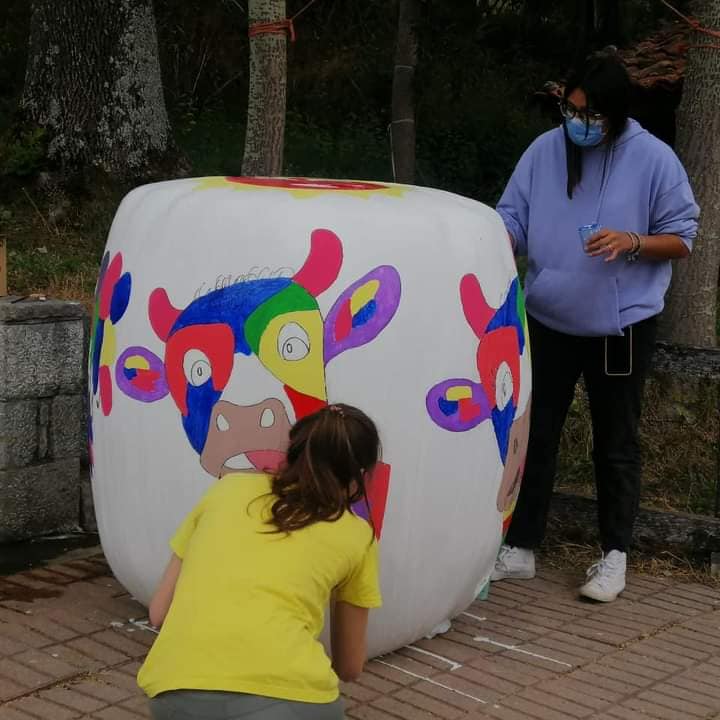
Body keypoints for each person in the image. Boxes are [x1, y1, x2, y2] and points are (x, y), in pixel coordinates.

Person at [492, 53, 699, 602]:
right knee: (536, 434)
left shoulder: (654, 159)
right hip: (549, 318)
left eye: (590, 114)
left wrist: (631, 241)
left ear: (616, 113)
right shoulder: (543, 151)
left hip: (619, 327)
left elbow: (682, 237)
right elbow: (511, 215)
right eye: (571, 108)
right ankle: (522, 545)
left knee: (615, 442)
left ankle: (614, 555)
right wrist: (495, 239)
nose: (577, 121)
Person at [137, 404, 382, 719]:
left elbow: (159, 612)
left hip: (174, 690)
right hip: (286, 698)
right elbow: (349, 667)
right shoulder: (356, 535)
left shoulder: (229, 488)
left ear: (293, 451)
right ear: (360, 477)